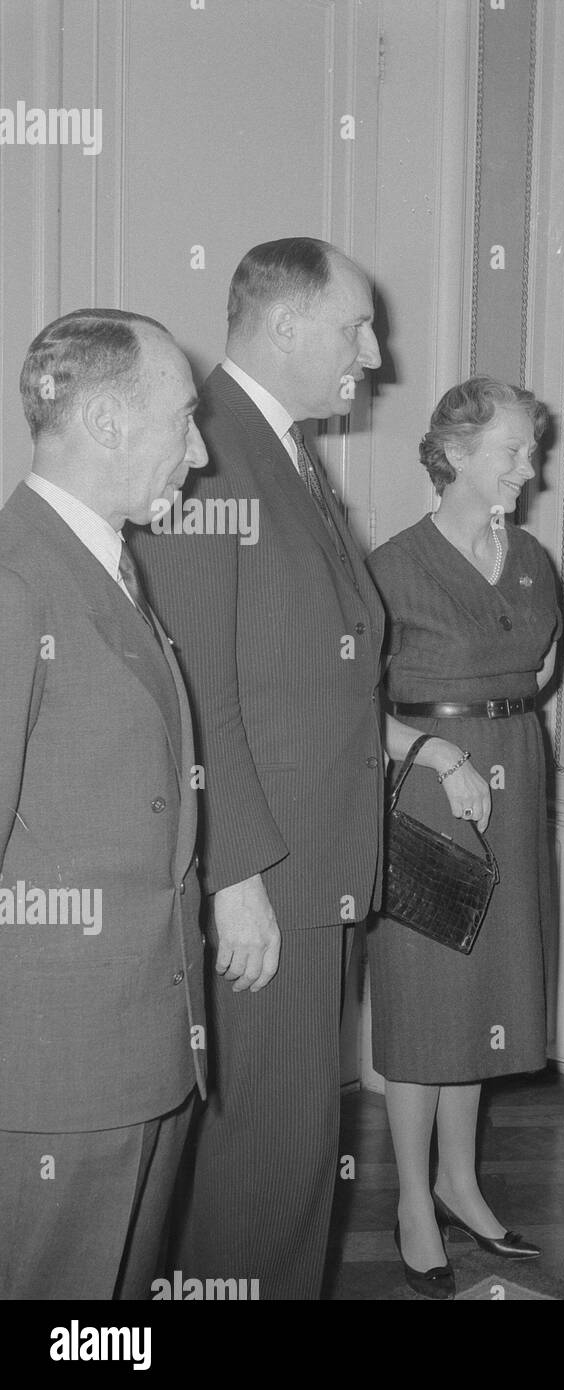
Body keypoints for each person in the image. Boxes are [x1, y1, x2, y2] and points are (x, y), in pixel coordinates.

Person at [130, 237, 387, 1299]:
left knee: (285, 1156)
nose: (371, 354)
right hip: (264, 881)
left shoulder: (281, 448)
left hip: (311, 865)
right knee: (263, 1167)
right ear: (284, 328)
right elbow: (196, 690)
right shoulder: (211, 450)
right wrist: (235, 879)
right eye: (354, 327)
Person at [0, 309, 207, 1297]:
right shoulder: (16, 579)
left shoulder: (105, 566)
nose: (197, 452)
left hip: (138, 1048)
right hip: (55, 1075)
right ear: (111, 421)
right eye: (183, 419)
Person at [367, 377, 559, 1300]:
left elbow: (536, 666)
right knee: (425, 997)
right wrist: (438, 750)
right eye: (514, 452)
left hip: (514, 783)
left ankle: (460, 1182)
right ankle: (411, 1199)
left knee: (481, 989)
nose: (530, 468)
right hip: (427, 791)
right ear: (452, 453)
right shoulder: (389, 566)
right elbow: (346, 705)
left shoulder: (528, 556)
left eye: (531, 451)